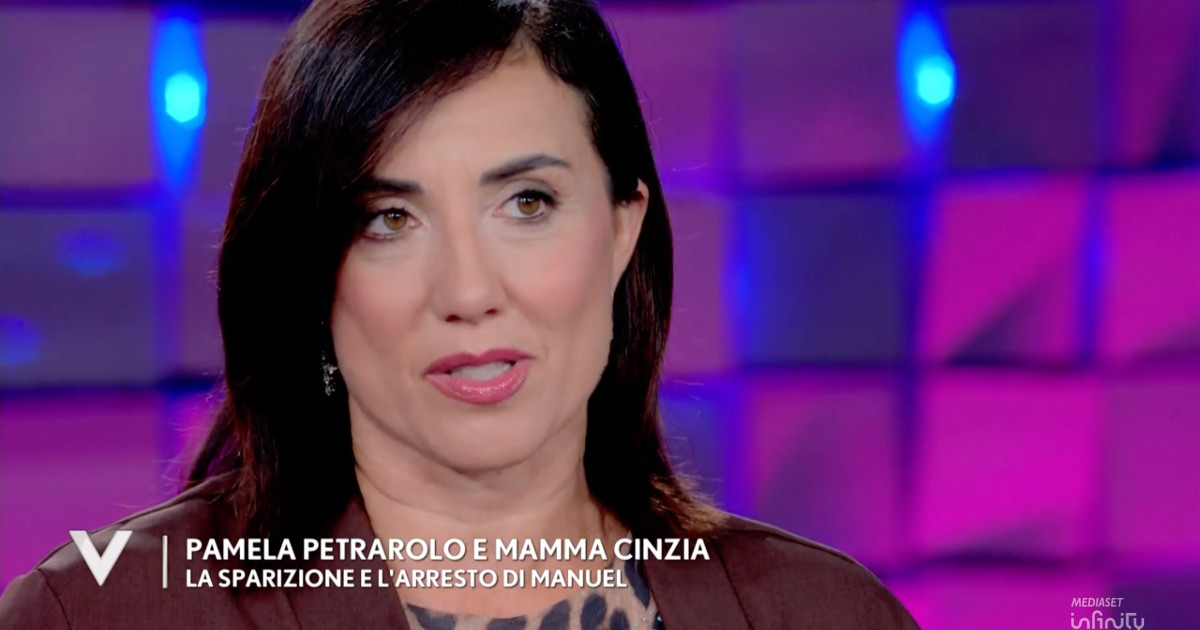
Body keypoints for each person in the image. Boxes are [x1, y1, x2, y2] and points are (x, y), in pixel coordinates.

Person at [0, 0, 921, 627]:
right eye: (388, 219)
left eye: (527, 203)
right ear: (314, 274)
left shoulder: (823, 614)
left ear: (622, 229)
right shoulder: (97, 615)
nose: (469, 291)